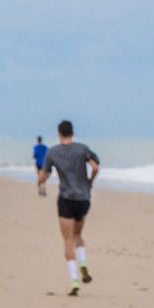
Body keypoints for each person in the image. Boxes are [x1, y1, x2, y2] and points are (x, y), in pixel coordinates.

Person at [37, 120, 100, 296]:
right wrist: (90, 181)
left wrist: (39, 183)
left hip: (66, 199)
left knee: (67, 240)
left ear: (59, 133)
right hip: (83, 198)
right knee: (78, 235)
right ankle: (84, 263)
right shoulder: (82, 149)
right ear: (72, 132)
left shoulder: (53, 152)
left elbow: (45, 174)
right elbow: (95, 166)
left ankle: (74, 280)